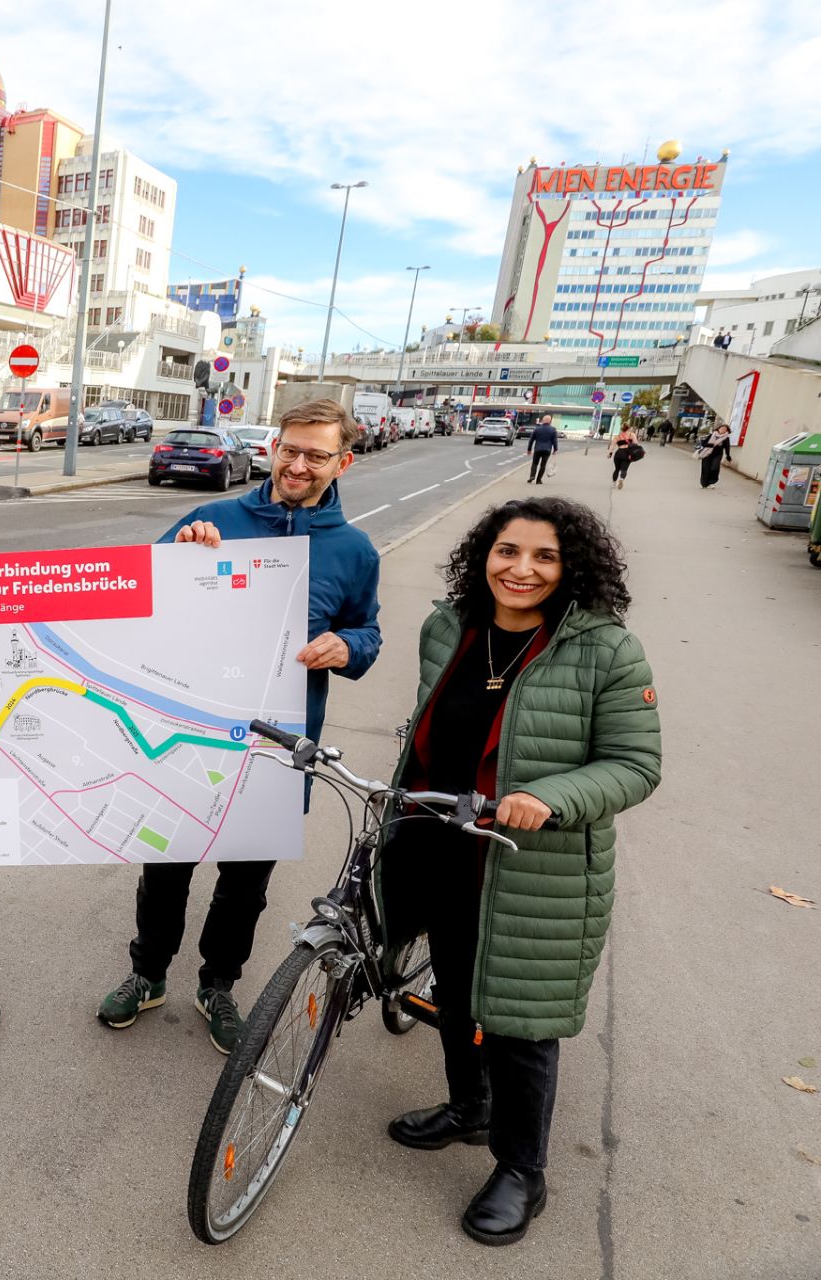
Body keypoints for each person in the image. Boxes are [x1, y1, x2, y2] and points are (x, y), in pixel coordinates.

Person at [379, 497, 660, 1245]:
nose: (522, 569)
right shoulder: (450, 626)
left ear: (571, 568)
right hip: (444, 845)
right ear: (484, 555)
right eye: (508, 551)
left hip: (536, 870)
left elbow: (635, 765)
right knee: (457, 993)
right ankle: (468, 1109)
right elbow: (428, 734)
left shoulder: (605, 650)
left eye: (544, 557)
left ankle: (522, 1171)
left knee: (520, 1025)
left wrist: (549, 795)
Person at [96, 398, 382, 1052]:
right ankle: (147, 974)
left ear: (344, 461)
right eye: (290, 449)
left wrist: (349, 647)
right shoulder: (212, 518)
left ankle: (218, 984)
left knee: (245, 884)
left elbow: (368, 630)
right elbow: (138, 601)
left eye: (316, 455)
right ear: (274, 447)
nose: (298, 464)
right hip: (187, 734)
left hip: (278, 749)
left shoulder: (353, 550)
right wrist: (180, 559)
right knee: (165, 866)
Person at [526, 415, 559, 484]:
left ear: (543, 420)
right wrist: (555, 449)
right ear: (550, 421)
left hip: (537, 449)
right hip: (547, 450)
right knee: (543, 465)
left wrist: (529, 449)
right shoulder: (553, 429)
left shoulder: (537, 429)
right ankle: (539, 480)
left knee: (534, 463)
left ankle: (532, 476)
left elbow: (531, 440)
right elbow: (554, 440)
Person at [699, 421, 732, 488]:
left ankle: (711, 482)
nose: (722, 430)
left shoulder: (726, 438)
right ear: (718, 429)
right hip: (707, 454)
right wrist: (711, 445)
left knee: (714, 468)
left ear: (727, 431)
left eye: (725, 429)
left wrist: (728, 456)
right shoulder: (711, 435)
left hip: (717, 455)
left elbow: (727, 447)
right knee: (706, 469)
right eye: (721, 428)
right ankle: (704, 483)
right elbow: (703, 443)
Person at [610, 423, 639, 489]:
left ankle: (614, 484)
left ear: (622, 429)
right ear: (628, 428)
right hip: (627, 454)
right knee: (624, 469)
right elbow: (636, 444)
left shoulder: (618, 436)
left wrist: (610, 453)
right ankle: (621, 479)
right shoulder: (632, 435)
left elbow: (612, 446)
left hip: (619, 453)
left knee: (617, 469)